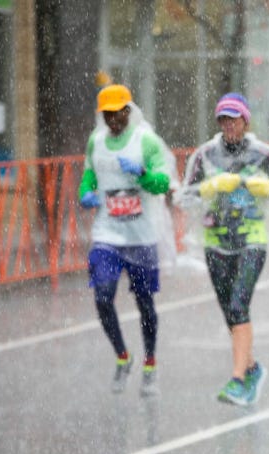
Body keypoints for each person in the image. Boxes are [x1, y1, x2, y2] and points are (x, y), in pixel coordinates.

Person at [178, 93, 269, 405]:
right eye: (223, 120)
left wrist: (266, 187)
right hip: (216, 241)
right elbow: (184, 197)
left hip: (252, 239)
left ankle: (237, 379)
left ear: (245, 121)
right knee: (229, 310)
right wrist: (209, 187)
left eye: (234, 119)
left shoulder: (262, 155)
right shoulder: (205, 156)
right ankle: (252, 367)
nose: (229, 125)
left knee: (238, 305)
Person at [78, 84, 176, 396]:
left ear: (128, 110)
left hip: (141, 235)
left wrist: (144, 173)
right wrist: (86, 193)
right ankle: (123, 356)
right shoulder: (96, 141)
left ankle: (149, 363)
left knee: (144, 302)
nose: (112, 120)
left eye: (117, 113)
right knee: (102, 295)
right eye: (106, 115)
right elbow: (89, 175)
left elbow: (164, 183)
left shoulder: (145, 141)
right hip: (108, 233)